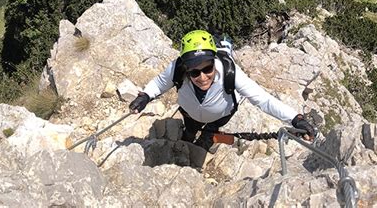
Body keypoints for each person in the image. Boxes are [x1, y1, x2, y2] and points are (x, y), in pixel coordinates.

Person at [129, 29, 315, 151]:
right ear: (186, 69)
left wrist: (295, 118)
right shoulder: (177, 68)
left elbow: (262, 99)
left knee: (212, 127)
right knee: (190, 128)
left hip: (221, 114)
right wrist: (146, 95)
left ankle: (208, 134)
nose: (202, 77)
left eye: (207, 69)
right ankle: (190, 134)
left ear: (214, 61)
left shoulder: (229, 71)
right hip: (190, 113)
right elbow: (160, 83)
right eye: (194, 72)